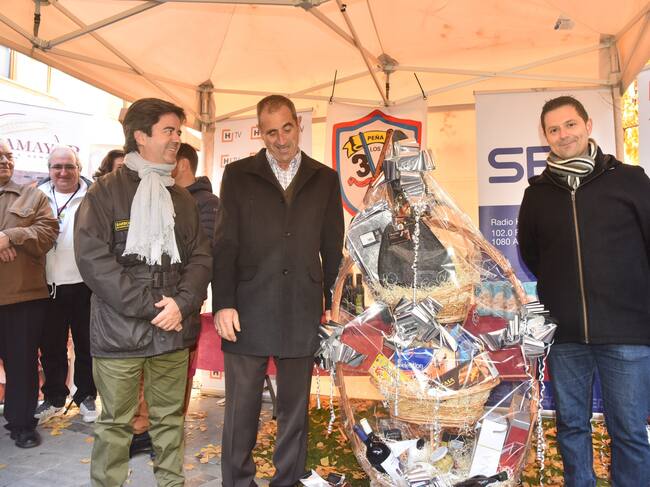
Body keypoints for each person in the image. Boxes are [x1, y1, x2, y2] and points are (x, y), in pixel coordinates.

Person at [74, 98, 212, 487]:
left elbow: (201, 257)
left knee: (169, 421)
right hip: (120, 332)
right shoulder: (104, 193)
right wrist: (153, 308)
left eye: (178, 131)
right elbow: (93, 261)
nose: (177, 139)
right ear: (140, 136)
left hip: (172, 330)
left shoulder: (181, 197)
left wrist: (182, 304)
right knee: (115, 424)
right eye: (169, 130)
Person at [518, 95, 650, 487]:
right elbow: (533, 254)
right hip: (566, 335)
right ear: (546, 136)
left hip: (626, 332)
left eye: (570, 124)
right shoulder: (537, 194)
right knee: (571, 428)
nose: (563, 135)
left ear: (588, 126)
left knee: (628, 431)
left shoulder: (631, 180)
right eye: (554, 129)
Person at [213, 95, 344, 486]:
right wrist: (223, 304)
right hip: (247, 309)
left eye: (287, 128)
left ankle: (286, 479)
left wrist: (335, 305)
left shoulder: (324, 178)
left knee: (294, 411)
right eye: (271, 132)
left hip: (302, 307)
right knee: (241, 410)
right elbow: (225, 244)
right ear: (260, 133)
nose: (281, 139)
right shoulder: (238, 175)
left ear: (298, 125)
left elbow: (332, 248)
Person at [129, 142, 220, 458]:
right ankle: (141, 429)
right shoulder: (155, 192)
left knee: (175, 372)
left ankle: (165, 435)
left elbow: (202, 254)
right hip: (149, 299)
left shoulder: (207, 203)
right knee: (144, 368)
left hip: (183, 301)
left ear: (181, 163)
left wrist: (181, 299)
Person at [0, 139, 58, 448]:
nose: (5, 161)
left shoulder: (33, 196)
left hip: (22, 297)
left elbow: (47, 233)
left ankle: (21, 424)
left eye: (8, 156)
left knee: (21, 364)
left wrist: (12, 236)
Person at [34, 146, 98, 423]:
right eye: (57, 166)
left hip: (85, 283)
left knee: (87, 345)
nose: (63, 172)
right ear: (49, 169)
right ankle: (54, 398)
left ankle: (86, 396)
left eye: (69, 166)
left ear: (79, 168)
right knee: (51, 347)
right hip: (48, 285)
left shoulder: (94, 196)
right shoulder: (36, 196)